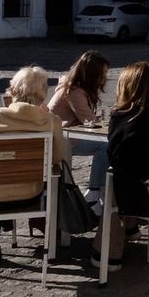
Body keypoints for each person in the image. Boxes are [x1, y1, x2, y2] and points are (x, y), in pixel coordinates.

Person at [0, 66, 68, 266]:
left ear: (13, 90)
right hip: (29, 195)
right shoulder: (51, 122)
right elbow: (57, 157)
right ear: (43, 94)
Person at [94, 62, 149, 270]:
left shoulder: (121, 115)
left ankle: (108, 254)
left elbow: (114, 155)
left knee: (113, 178)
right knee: (126, 174)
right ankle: (130, 229)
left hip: (132, 191)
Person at [50, 51, 111, 206]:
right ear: (92, 74)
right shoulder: (74, 91)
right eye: (102, 73)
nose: (105, 77)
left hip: (69, 133)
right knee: (105, 146)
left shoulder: (75, 87)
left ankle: (102, 189)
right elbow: (88, 118)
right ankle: (95, 190)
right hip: (62, 138)